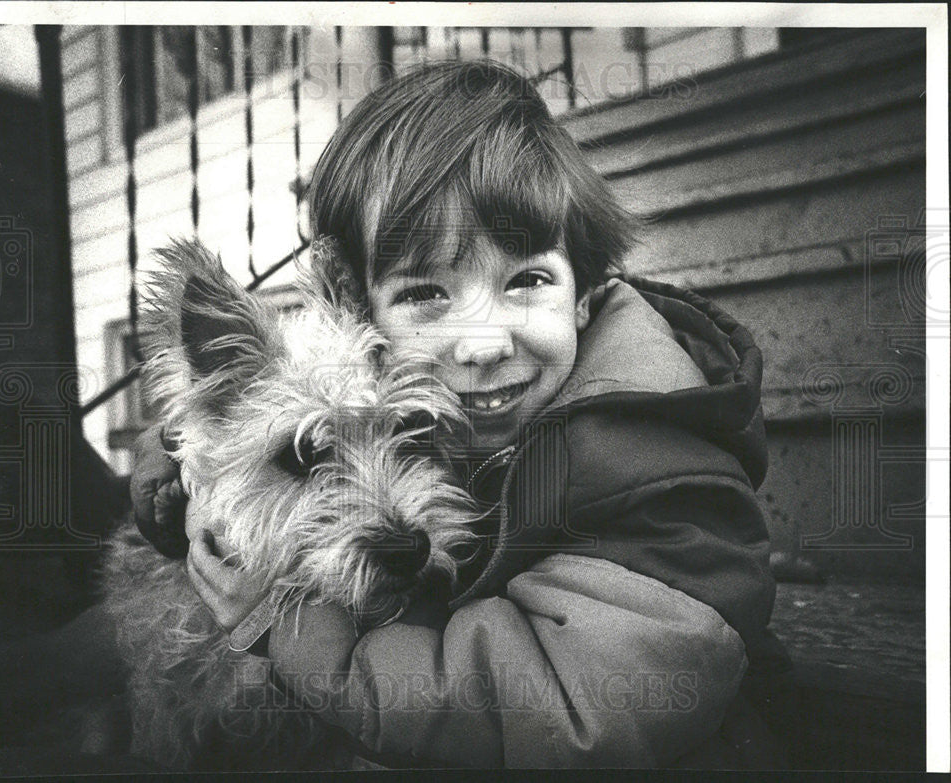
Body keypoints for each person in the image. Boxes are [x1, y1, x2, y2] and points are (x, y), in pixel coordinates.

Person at [132, 60, 793, 768]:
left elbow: (555, 705)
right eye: (426, 293)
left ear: (587, 290)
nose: (481, 343)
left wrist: (278, 626)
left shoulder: (654, 460)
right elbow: (228, 427)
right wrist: (172, 476)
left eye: (526, 279)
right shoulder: (475, 410)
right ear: (370, 309)